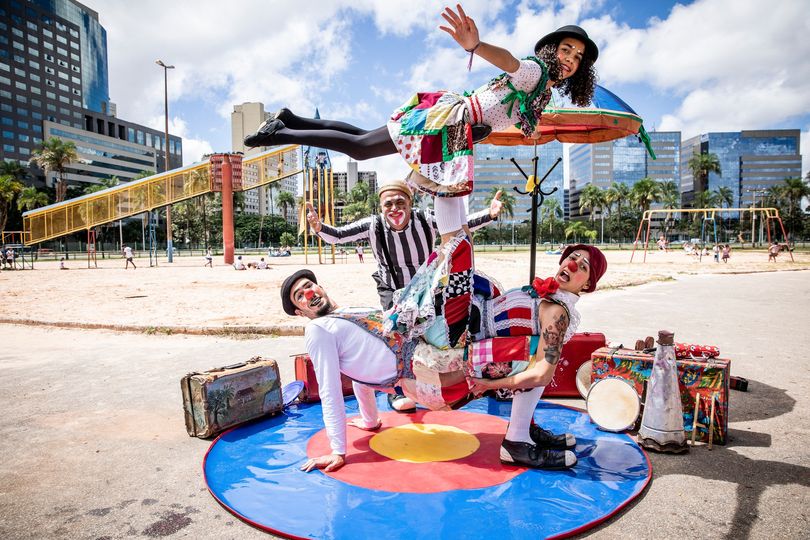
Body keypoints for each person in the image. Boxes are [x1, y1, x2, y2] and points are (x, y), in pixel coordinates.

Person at [283, 244, 606, 473]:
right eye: (301, 296)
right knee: (460, 260)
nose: (309, 293)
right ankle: (517, 441)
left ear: (320, 286)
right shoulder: (318, 330)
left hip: (429, 348)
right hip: (426, 371)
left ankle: (523, 429)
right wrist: (337, 449)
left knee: (464, 270)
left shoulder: (345, 315)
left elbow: (358, 371)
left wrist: (370, 420)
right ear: (299, 311)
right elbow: (330, 387)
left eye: (309, 285)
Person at [306, 179, 502, 412]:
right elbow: (339, 235)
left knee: (432, 333)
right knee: (396, 338)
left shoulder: (424, 219)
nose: (394, 208)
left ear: (410, 203)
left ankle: (440, 379)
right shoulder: (373, 225)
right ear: (381, 207)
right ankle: (399, 389)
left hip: (425, 288)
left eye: (400, 202)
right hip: (392, 288)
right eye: (388, 204)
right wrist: (319, 227)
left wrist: (489, 214)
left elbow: (460, 223)